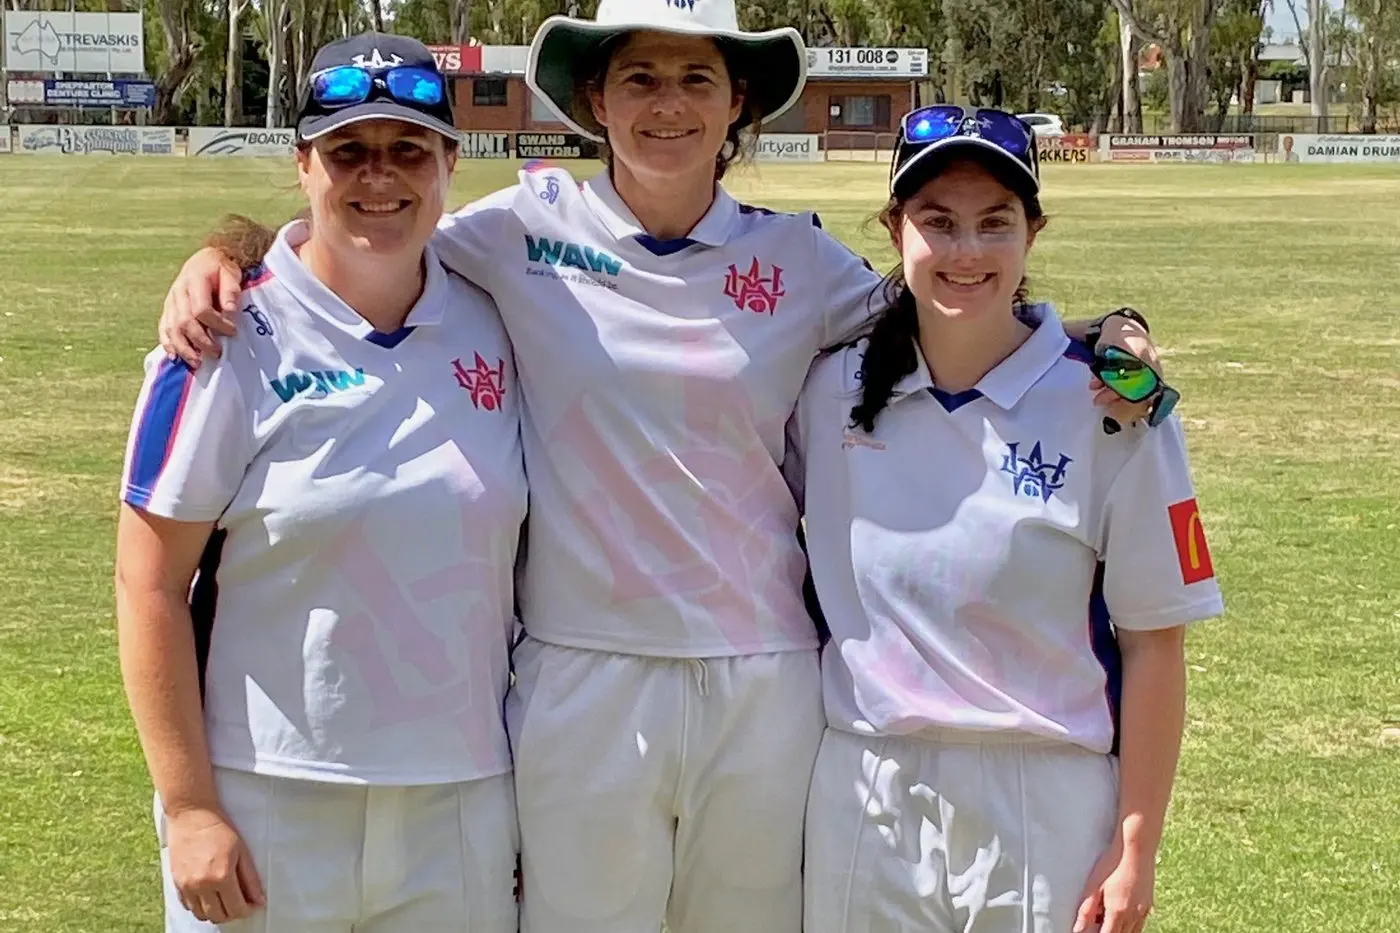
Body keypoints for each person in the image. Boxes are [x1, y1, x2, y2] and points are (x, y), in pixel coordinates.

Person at [152, 7, 1166, 933]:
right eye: (639, 78)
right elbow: (363, 234)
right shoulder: (518, 232)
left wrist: (1103, 330)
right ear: (596, 101)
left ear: (736, 105)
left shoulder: (799, 263)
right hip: (578, 671)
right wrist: (226, 251)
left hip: (763, 680)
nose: (667, 104)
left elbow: (952, 303)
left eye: (695, 78)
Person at [114, 33, 524, 933]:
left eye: (409, 149)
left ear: (451, 164)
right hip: (267, 801)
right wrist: (188, 808)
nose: (380, 177)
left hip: (460, 801)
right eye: (348, 152)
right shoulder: (224, 337)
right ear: (303, 164)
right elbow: (148, 582)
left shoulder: (501, 315)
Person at [787, 106, 1224, 933]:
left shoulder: (1113, 407)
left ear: (1034, 232)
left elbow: (1154, 642)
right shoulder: (827, 390)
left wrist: (1139, 847)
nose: (966, 251)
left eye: (995, 223)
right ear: (894, 228)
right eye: (938, 222)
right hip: (865, 789)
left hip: (1045, 797)